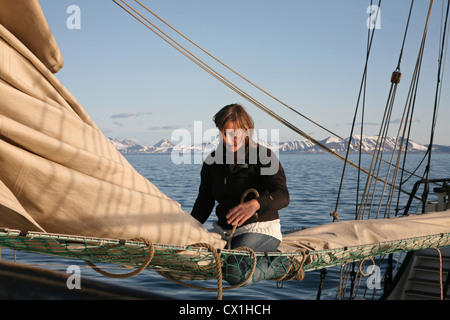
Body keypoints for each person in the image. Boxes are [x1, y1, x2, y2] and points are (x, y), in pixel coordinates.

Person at [191, 103, 295, 286]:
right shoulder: (212, 162)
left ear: (247, 131)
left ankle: (285, 263)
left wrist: (255, 204)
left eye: (236, 132)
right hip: (224, 232)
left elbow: (282, 195)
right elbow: (204, 202)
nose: (231, 138)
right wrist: (188, 228)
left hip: (260, 229)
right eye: (225, 133)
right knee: (191, 258)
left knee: (235, 272)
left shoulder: (264, 156)